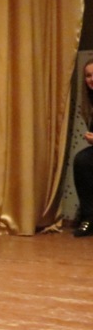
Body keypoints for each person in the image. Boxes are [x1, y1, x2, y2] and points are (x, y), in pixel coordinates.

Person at [72, 58, 93, 237]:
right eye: (88, 75)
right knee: (82, 161)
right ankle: (89, 217)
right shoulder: (89, 103)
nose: (91, 79)